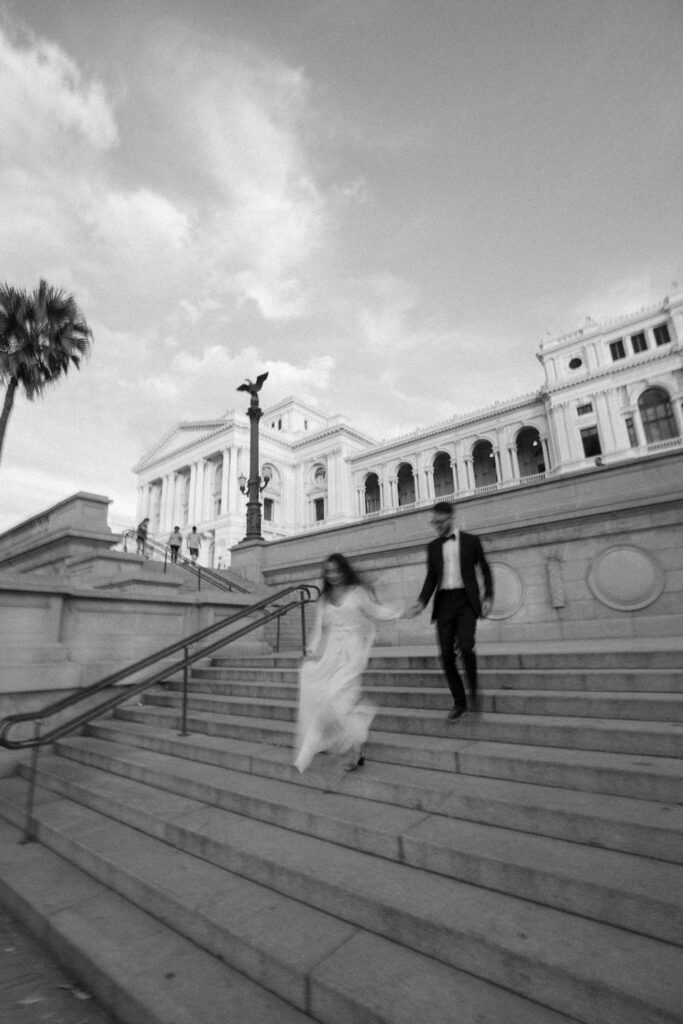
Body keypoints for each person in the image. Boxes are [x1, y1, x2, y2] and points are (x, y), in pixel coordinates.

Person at [294, 553, 403, 774]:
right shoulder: (324, 599)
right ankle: (357, 745)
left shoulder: (357, 593)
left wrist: (399, 613)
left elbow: (375, 611)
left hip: (353, 653)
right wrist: (314, 653)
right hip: (331, 654)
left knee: (334, 695)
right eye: (328, 571)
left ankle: (350, 741)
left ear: (344, 570)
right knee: (331, 700)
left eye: (336, 570)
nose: (333, 575)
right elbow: (321, 629)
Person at [408, 501, 493, 720]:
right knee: (446, 656)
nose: (436, 526)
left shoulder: (471, 541)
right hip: (444, 602)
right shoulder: (433, 547)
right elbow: (431, 578)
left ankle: (474, 692)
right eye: (434, 522)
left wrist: (488, 597)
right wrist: (421, 601)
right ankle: (459, 703)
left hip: (466, 601)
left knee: (466, 646)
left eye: (440, 522)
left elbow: (485, 569)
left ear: (451, 518)